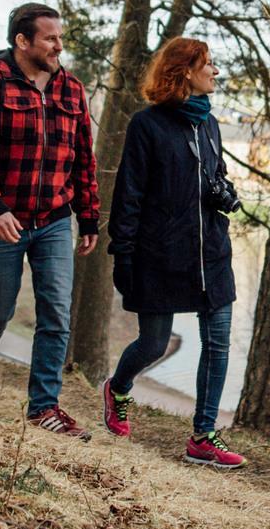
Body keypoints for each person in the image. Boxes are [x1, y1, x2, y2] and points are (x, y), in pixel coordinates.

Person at [0, 2, 99, 438]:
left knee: (56, 312)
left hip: (54, 218)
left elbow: (83, 159)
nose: (59, 46)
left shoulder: (72, 89)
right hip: (3, 218)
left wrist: (88, 217)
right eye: (50, 38)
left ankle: (44, 407)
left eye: (60, 38)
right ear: (22, 40)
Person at [100, 37, 245, 468]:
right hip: (160, 254)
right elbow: (129, 195)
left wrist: (226, 194)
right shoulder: (147, 126)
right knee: (154, 343)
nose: (216, 71)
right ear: (184, 72)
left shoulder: (211, 124)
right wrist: (122, 255)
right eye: (209, 64)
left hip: (212, 253)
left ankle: (203, 437)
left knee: (218, 343)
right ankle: (118, 388)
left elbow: (215, 176)